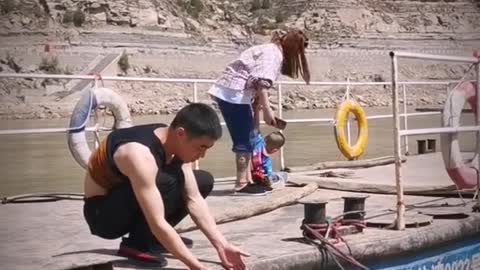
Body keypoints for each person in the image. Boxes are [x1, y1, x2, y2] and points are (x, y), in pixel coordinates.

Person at [83, 103, 249, 270]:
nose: (202, 155)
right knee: (166, 180)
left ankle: (154, 239)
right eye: (201, 147)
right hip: (103, 216)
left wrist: (221, 244)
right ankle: (137, 244)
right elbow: (157, 221)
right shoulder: (139, 155)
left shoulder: (173, 140)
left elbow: (193, 198)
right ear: (181, 133)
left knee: (203, 181)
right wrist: (195, 266)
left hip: (126, 198)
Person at [208, 29, 311, 196]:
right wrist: (268, 113)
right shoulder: (274, 55)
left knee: (248, 136)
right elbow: (262, 85)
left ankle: (246, 180)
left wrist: (257, 107)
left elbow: (255, 81)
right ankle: (241, 184)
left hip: (232, 91)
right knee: (244, 138)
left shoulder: (269, 49)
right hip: (234, 93)